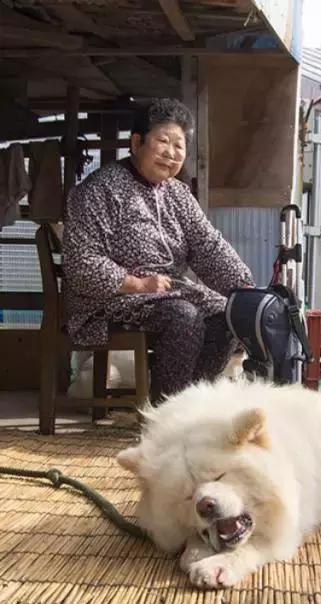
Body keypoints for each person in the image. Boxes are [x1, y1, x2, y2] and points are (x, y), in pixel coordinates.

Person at [62, 98, 254, 403]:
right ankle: (164, 412)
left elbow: (208, 245)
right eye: (162, 141)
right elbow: (81, 262)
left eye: (179, 146)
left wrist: (244, 289)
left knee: (227, 314)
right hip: (108, 299)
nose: (171, 153)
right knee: (183, 316)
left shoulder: (178, 194)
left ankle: (189, 404)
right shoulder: (100, 189)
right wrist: (136, 284)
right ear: (137, 142)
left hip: (166, 293)